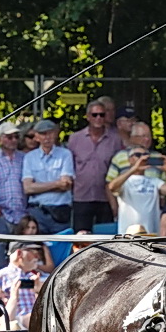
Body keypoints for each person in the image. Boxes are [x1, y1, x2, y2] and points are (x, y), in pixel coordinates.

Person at [106, 119, 166, 235]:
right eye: (143, 136)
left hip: (152, 229)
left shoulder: (156, 159)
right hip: (128, 231)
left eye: (148, 136)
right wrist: (114, 209)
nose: (147, 139)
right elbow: (111, 186)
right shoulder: (120, 157)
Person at [66, 97, 121, 231]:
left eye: (101, 115)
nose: (98, 118)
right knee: (80, 237)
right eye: (94, 115)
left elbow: (119, 167)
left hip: (105, 198)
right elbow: (69, 167)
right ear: (88, 117)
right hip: (81, 197)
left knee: (104, 236)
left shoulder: (115, 140)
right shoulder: (75, 139)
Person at [21, 119, 74, 232]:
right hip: (38, 212)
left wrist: (38, 187)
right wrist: (57, 184)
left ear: (55, 134)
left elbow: (66, 185)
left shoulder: (65, 154)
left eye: (50, 133)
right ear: (36, 136)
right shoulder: (29, 157)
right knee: (37, 247)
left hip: (61, 212)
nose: (47, 137)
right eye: (43, 134)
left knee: (62, 247)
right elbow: (28, 188)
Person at [0, 121, 30, 225]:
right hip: (0, 215)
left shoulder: (26, 158)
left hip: (23, 215)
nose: (13, 140)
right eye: (9, 137)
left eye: (16, 137)